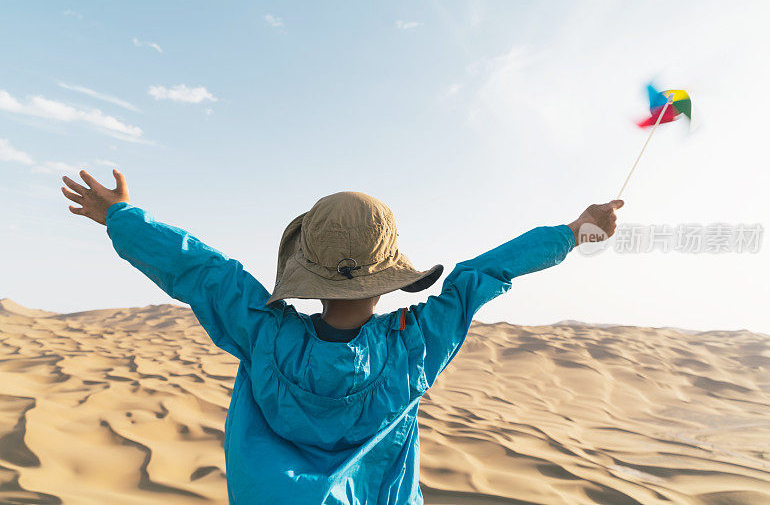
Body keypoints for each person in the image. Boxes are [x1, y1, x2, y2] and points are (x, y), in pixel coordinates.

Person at [60, 169, 622, 504]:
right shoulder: (416, 343)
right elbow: (482, 276)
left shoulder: (262, 334)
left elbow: (202, 271)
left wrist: (123, 217)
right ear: (389, 277)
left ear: (307, 269)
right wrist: (576, 231)